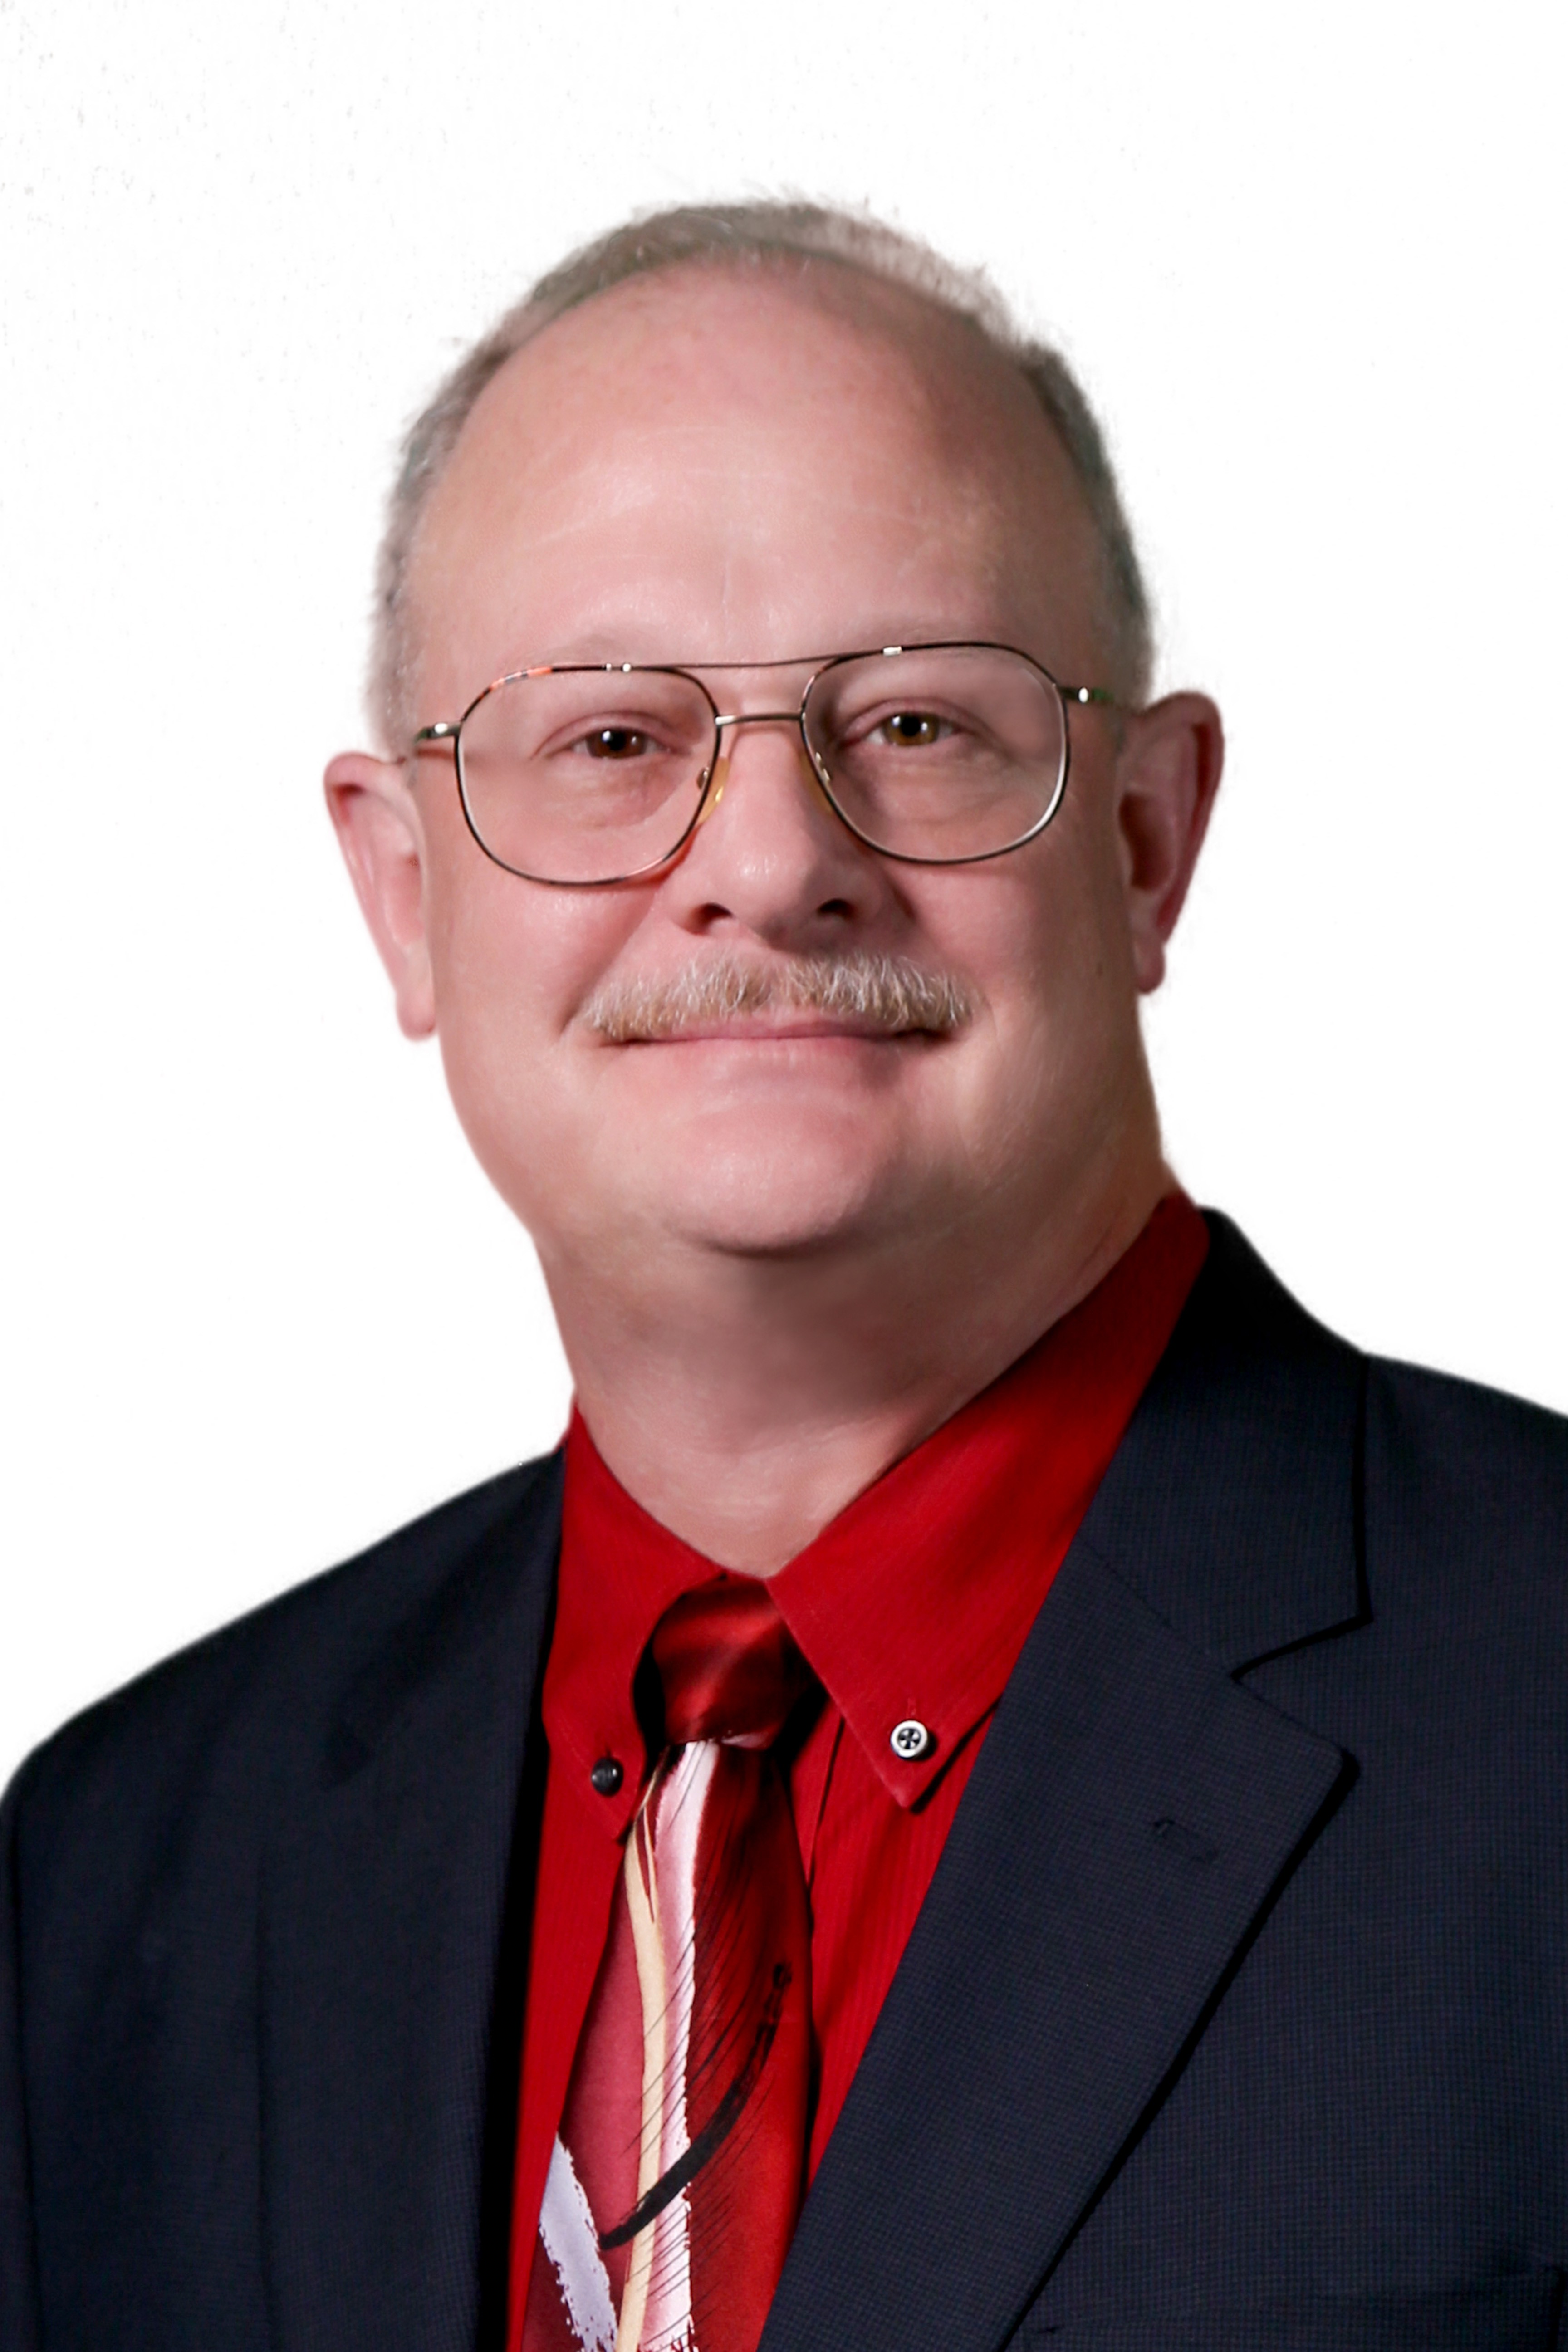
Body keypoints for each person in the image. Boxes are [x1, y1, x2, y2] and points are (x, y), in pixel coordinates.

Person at [2, 202, 1563, 2352]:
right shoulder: (115, 1879)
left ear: (1143, 843)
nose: (767, 861)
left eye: (916, 724)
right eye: (611, 739)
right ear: (401, 894)